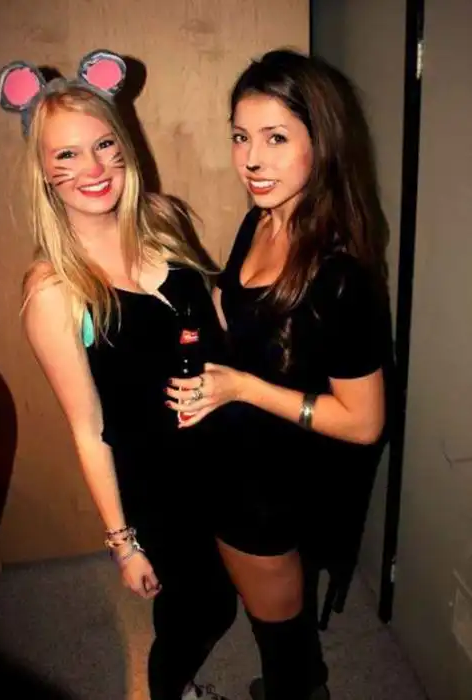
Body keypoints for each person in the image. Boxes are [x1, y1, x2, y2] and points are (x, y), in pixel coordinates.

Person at [0, 50, 237, 700]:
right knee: (200, 608)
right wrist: (123, 545)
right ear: (43, 172)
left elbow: (215, 316)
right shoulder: (54, 290)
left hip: (225, 448)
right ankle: (173, 692)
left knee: (231, 586)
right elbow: (87, 428)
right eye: (67, 155)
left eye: (104, 144)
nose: (94, 168)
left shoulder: (163, 219)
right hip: (157, 482)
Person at [166, 48, 391, 700]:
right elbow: (232, 309)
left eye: (275, 138)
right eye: (240, 137)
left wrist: (241, 387)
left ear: (322, 144)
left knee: (280, 635)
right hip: (239, 452)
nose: (251, 159)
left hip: (276, 484)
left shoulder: (340, 276)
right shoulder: (259, 220)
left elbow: (364, 422)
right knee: (277, 623)